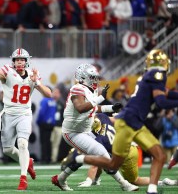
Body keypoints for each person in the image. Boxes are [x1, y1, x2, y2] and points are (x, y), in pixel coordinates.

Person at [75, 49, 178, 194]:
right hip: (129, 123)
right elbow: (161, 101)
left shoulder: (148, 76)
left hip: (131, 122)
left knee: (158, 155)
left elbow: (165, 93)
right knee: (115, 164)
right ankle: (81, 159)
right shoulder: (158, 75)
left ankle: (152, 190)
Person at [0, 43, 52, 190]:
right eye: (17, 60)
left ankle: (23, 178)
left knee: (22, 143)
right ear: (13, 62)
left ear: (26, 61)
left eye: (22, 59)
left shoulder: (33, 74)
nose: (20, 62)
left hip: (24, 114)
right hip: (8, 115)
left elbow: (49, 94)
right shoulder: (8, 72)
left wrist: (37, 84)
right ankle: (27, 162)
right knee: (8, 150)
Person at [51, 63, 138, 191]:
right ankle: (124, 184)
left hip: (85, 130)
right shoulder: (77, 89)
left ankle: (60, 179)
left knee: (88, 155)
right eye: (92, 77)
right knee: (102, 154)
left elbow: (92, 109)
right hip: (73, 132)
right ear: (83, 77)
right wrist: (101, 97)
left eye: (95, 77)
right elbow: (81, 108)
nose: (95, 80)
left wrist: (110, 108)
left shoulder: (90, 91)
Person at [62, 113, 177, 187]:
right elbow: (117, 120)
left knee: (135, 180)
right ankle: (97, 180)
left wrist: (88, 179)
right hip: (128, 145)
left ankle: (162, 183)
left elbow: (95, 163)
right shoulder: (102, 117)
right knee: (104, 159)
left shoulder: (97, 140)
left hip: (127, 154)